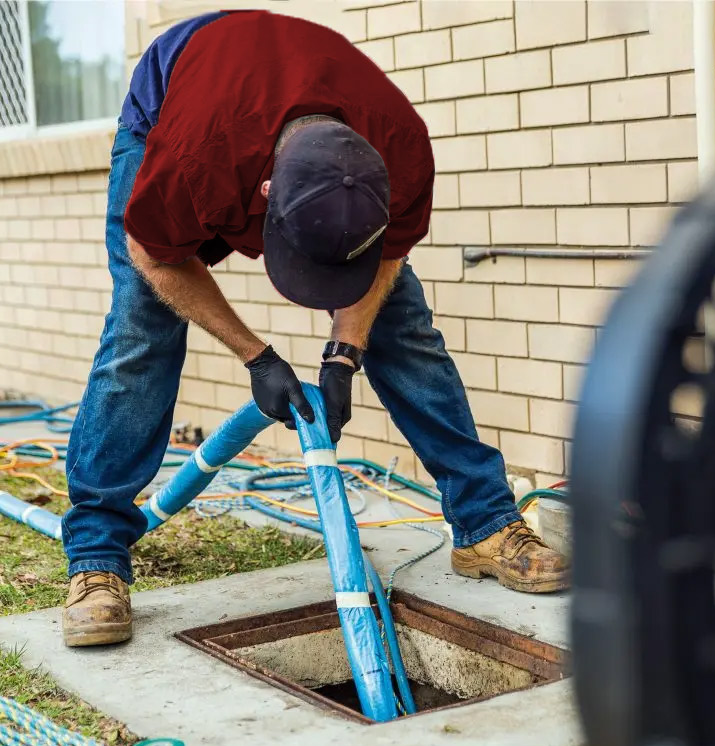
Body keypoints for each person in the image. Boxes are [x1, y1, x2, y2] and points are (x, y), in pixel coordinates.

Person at [62, 10, 568, 648]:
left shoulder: (402, 149)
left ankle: (486, 523)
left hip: (286, 98)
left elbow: (388, 259)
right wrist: (256, 357)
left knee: (404, 324)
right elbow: (154, 256)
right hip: (178, 99)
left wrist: (344, 356)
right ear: (267, 191)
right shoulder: (192, 156)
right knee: (143, 329)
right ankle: (97, 557)